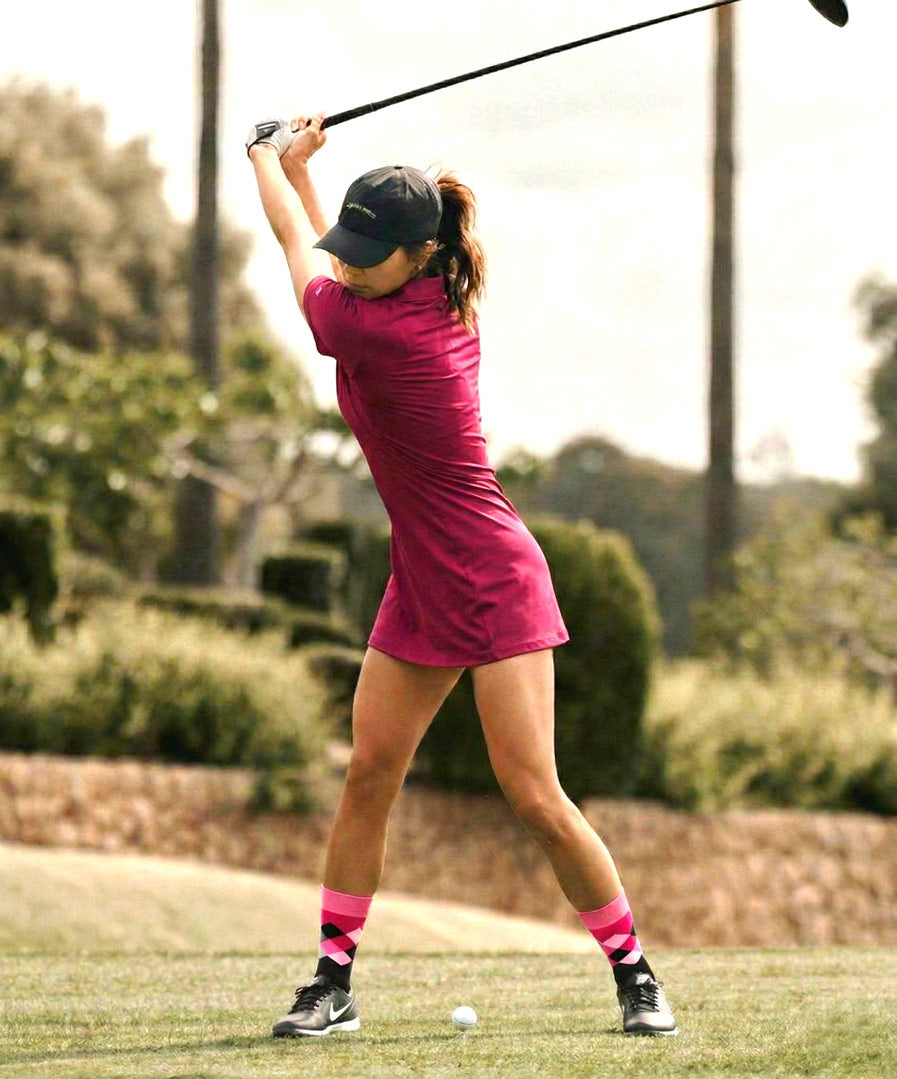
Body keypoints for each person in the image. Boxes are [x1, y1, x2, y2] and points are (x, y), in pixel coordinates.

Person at [246, 113, 677, 1039]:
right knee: (369, 772)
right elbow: (330, 251)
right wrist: (301, 172)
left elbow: (296, 246)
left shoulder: (386, 337)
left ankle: (634, 970)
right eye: (350, 246)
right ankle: (332, 979)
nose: (352, 260)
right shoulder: (427, 288)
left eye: (372, 249)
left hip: (492, 578)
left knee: (533, 795)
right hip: (421, 580)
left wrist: (263, 162)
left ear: (419, 252)